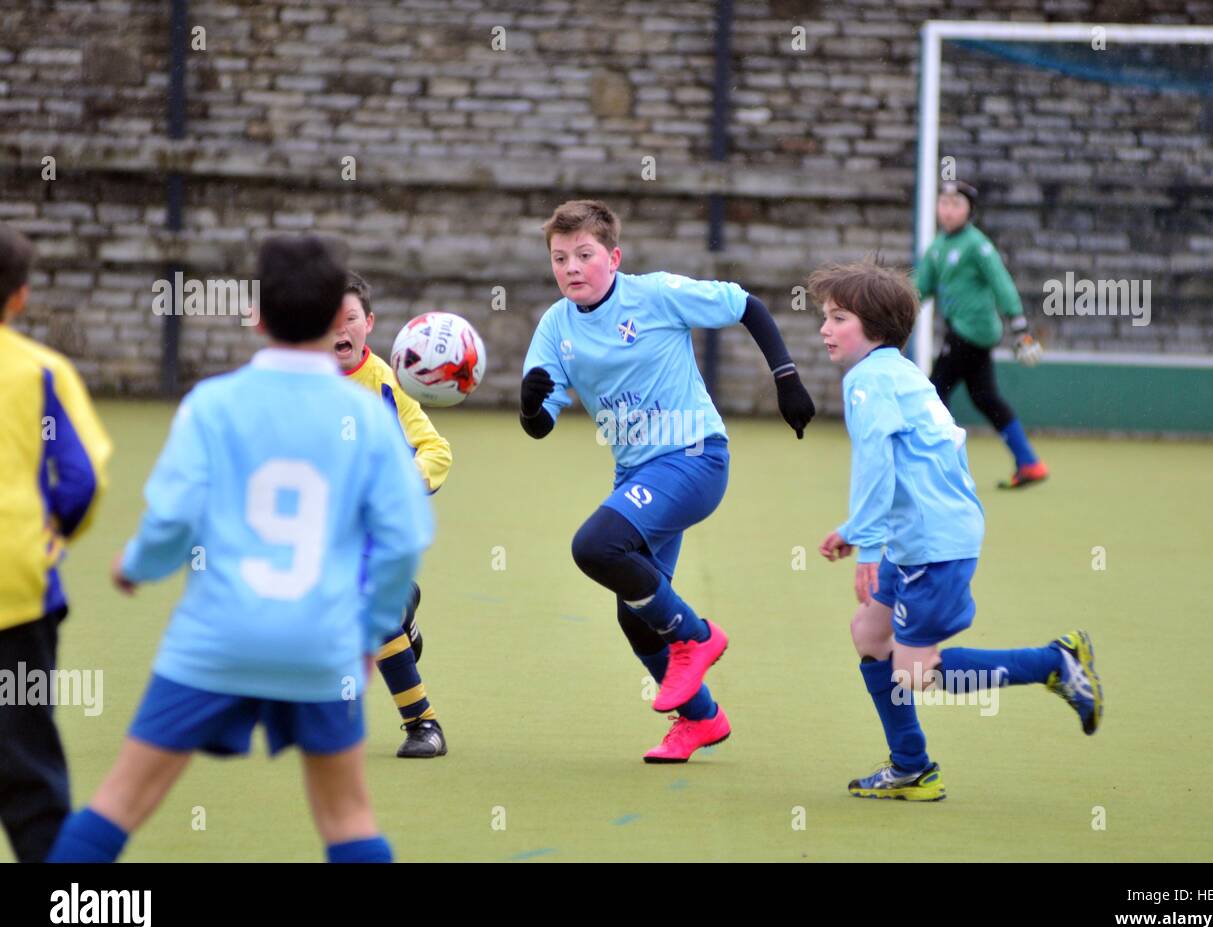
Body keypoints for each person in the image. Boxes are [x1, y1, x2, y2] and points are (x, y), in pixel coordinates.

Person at [46, 235, 432, 862]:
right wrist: (363, 633)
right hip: (319, 646)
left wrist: (137, 565)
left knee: (119, 802)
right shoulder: (365, 416)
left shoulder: (212, 404)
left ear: (255, 316)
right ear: (338, 318)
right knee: (348, 818)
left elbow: (172, 518)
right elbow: (402, 539)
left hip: (215, 642)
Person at [519, 199, 815, 763]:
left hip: (696, 457)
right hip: (637, 471)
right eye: (560, 258)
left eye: (584, 254)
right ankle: (701, 719)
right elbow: (540, 425)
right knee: (633, 614)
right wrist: (532, 405)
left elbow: (745, 303)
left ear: (614, 256)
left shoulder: (653, 294)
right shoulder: (555, 326)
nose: (571, 268)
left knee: (595, 546)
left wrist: (786, 378)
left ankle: (696, 636)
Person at [811, 258, 1100, 801]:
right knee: (870, 634)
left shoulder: (868, 381)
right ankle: (912, 768)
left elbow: (876, 463)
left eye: (838, 317)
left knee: (914, 671)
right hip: (923, 534)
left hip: (931, 545)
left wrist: (868, 544)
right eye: (825, 317)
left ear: (873, 327)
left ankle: (1053, 662)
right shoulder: (899, 372)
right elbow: (912, 466)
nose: (825, 328)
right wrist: (859, 528)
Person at [0, 223, 112, 862]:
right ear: (20, 296)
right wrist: (54, 533)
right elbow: (82, 479)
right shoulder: (43, 371)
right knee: (27, 765)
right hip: (18, 588)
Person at [334, 271, 452, 758]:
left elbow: (436, 451)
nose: (339, 327)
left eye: (350, 318)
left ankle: (424, 725)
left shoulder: (386, 383)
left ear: (369, 324)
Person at [914, 180, 1049, 489]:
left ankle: (939, 468)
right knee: (985, 397)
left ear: (969, 211)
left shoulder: (977, 245)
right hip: (964, 333)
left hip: (970, 332)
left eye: (955, 205)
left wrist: (1019, 324)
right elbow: (919, 289)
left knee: (934, 394)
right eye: (943, 203)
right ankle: (1029, 462)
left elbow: (1001, 281)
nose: (947, 210)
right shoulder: (937, 247)